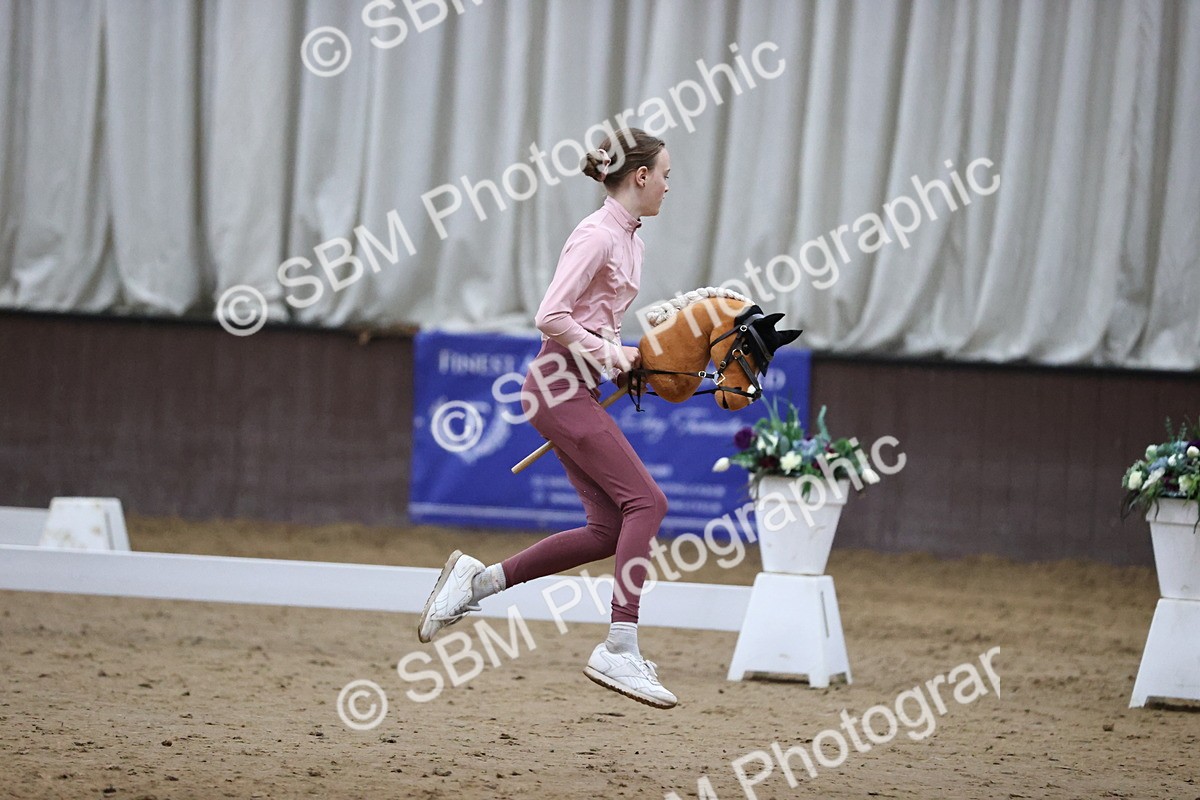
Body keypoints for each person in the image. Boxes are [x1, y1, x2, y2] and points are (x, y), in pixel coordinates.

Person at [417, 128, 677, 709]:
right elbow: (550, 314)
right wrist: (613, 356)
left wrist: (622, 366)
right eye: (664, 174)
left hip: (573, 386)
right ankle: (620, 644)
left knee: (609, 530)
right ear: (639, 176)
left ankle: (476, 583)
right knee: (649, 504)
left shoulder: (630, 239)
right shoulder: (596, 235)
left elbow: (596, 319)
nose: (667, 186)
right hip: (558, 384)